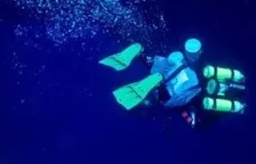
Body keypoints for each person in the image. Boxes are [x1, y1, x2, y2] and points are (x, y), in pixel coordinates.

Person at [98, 38, 247, 128]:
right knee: (164, 99)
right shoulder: (206, 93)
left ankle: (142, 52)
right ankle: (154, 74)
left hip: (179, 68)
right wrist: (193, 121)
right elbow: (194, 117)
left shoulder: (205, 68)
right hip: (182, 87)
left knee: (161, 69)